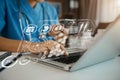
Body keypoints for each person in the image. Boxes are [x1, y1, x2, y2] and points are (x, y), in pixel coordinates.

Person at [0, 0, 68, 58]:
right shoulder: (5, 3)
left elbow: (56, 39)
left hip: (46, 63)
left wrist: (60, 38)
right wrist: (34, 46)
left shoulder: (50, 10)